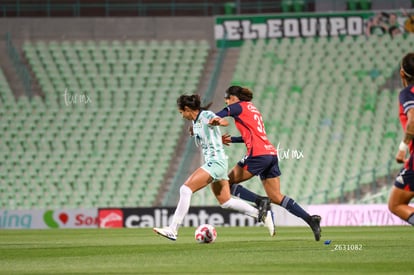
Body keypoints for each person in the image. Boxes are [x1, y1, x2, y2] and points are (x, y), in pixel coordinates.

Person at [153, 94, 275, 241]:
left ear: (186, 109)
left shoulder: (206, 115)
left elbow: (222, 122)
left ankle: (173, 229)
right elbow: (206, 133)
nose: (182, 116)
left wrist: (219, 122)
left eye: (181, 113)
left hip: (215, 162)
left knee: (185, 189)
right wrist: (201, 133)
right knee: (226, 202)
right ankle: (261, 214)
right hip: (219, 162)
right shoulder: (196, 123)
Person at [210, 86, 322, 241]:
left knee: (226, 183)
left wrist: (208, 121)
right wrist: (232, 139)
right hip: (270, 153)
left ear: (234, 97)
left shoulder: (237, 106)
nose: (227, 102)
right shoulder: (252, 108)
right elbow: (252, 135)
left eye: (227, 99)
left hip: (257, 154)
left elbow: (216, 115)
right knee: (276, 196)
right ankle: (311, 220)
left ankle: (260, 201)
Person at [389, 52, 414, 226]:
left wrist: (402, 147)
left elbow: (413, 118)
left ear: (402, 73)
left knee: (396, 204)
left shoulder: (408, 93)